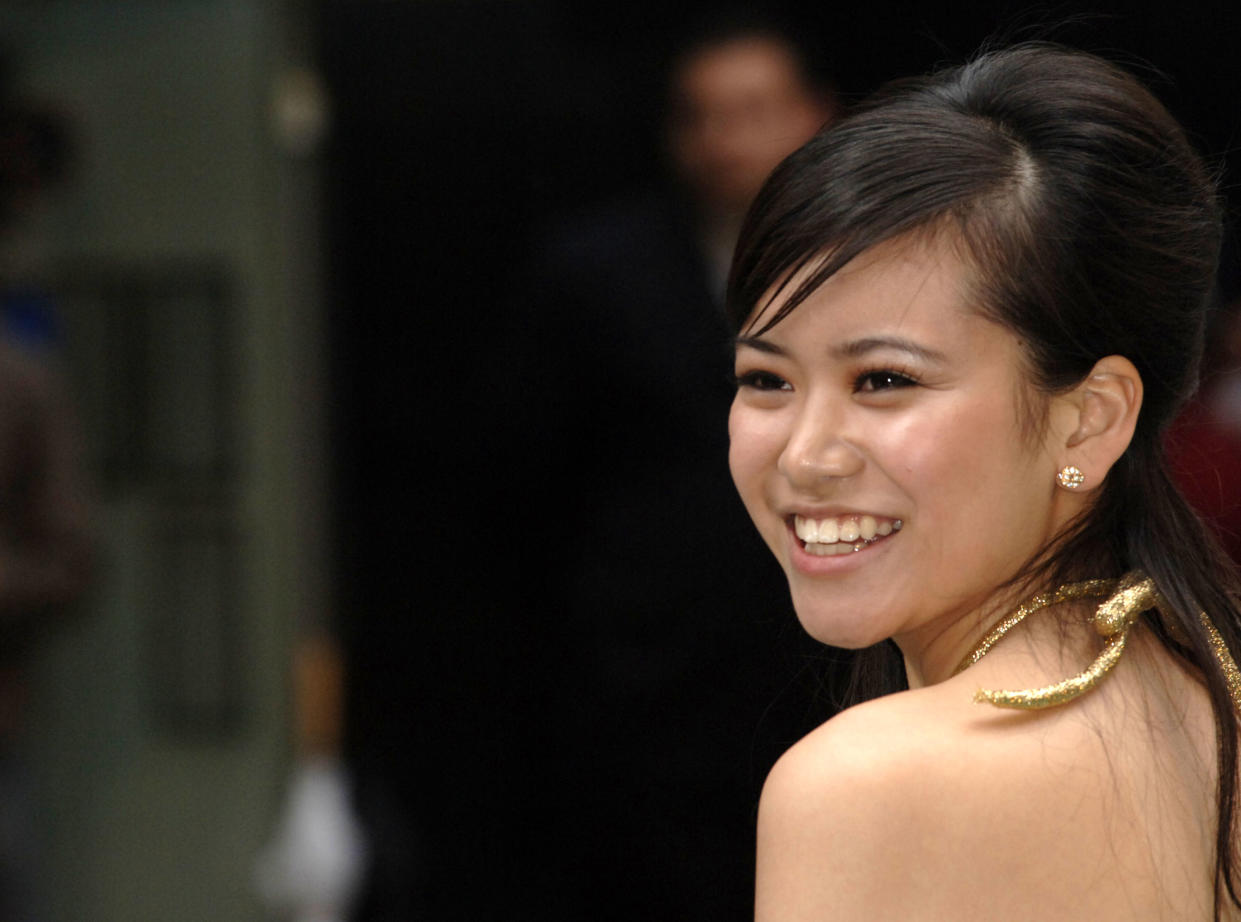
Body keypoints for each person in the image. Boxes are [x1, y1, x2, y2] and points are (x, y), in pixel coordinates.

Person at [725, 44, 1241, 921]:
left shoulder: (863, 786)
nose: (805, 456)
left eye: (884, 380)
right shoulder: (1207, 692)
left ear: (1091, 416)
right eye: (765, 379)